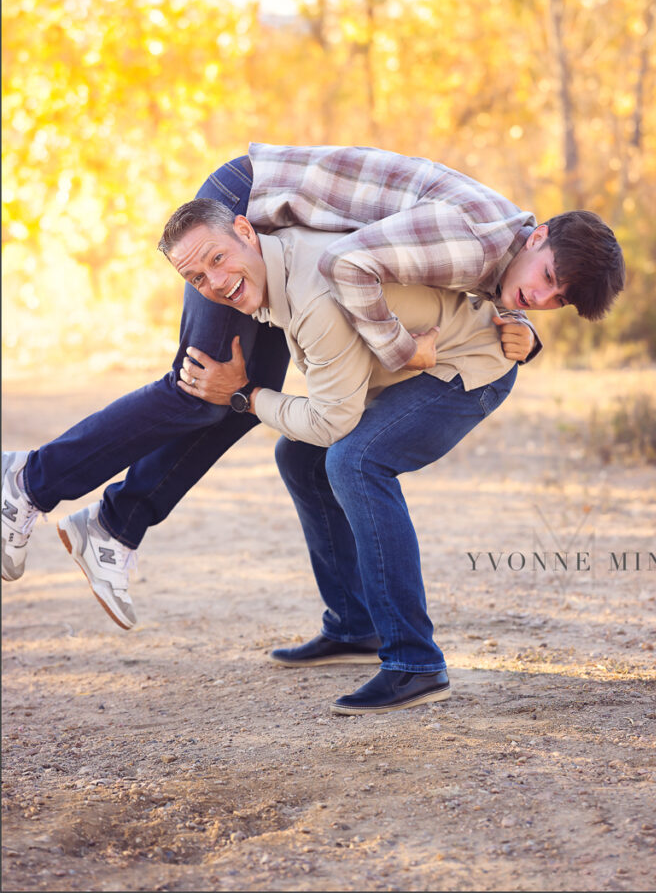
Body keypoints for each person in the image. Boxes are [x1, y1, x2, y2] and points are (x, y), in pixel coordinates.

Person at [2, 145, 624, 634]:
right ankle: (27, 481)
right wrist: (404, 351)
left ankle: (113, 527)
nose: (543, 298)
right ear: (537, 234)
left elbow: (472, 297)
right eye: (548, 279)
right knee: (200, 387)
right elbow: (352, 265)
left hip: (279, 242)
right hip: (245, 207)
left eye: (558, 300)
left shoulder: (504, 250)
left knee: (242, 396)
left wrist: (524, 332)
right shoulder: (475, 239)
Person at [157, 195, 620, 713]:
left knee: (354, 461)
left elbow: (334, 421)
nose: (214, 282)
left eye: (558, 300)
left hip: (471, 370)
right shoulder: (295, 257)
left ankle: (414, 662)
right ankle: (355, 627)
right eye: (199, 275)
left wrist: (245, 396)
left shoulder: (313, 294)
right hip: (415, 362)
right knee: (299, 457)